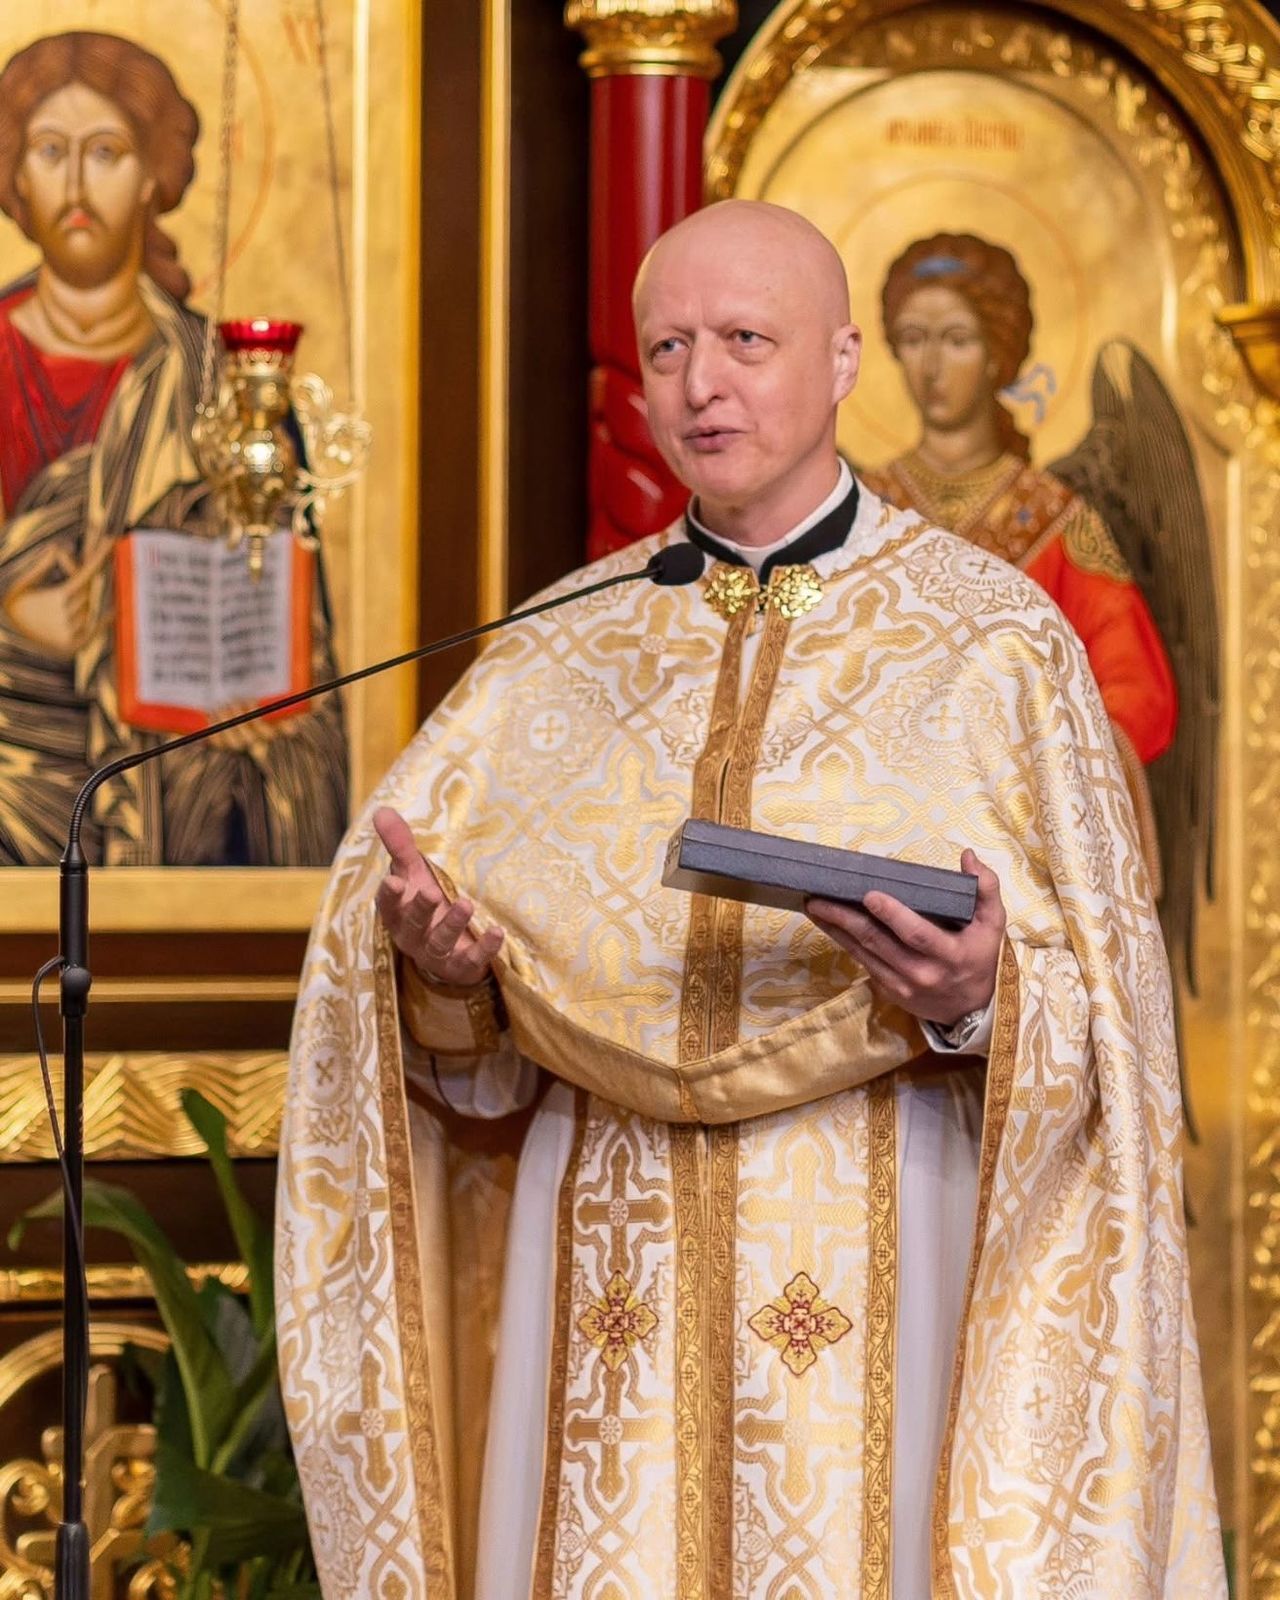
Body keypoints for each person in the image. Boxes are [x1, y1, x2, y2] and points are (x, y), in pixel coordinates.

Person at [278, 200, 1224, 1597]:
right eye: (666, 349)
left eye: (743, 340)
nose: (699, 384)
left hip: (887, 1214)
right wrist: (441, 979)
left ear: (841, 360)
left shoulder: (994, 644)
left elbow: (1113, 1017)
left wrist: (981, 999)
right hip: (610, 1254)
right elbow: (452, 1068)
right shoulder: (556, 648)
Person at [0, 31, 346, 865]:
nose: (75, 186)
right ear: (16, 175)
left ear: (155, 174)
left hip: (168, 772)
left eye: (106, 153)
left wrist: (256, 697)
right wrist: (13, 623)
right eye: (50, 152)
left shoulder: (224, 380)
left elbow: (288, 614)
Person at [860, 233, 1176, 877]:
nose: (931, 366)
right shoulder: (865, 509)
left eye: (957, 340)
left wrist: (1036, 755)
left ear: (997, 354)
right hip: (872, 823)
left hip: (1016, 840)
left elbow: (1137, 690)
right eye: (914, 339)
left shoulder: (1055, 522)